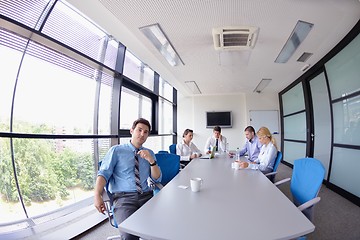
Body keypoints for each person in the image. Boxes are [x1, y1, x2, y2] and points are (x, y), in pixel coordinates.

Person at [94, 118, 162, 240]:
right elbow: (103, 174)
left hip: (146, 196)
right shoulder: (117, 150)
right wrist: (97, 194)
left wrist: (151, 161)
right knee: (129, 235)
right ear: (131, 131)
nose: (142, 134)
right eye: (139, 130)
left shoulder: (149, 153)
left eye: (146, 132)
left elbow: (157, 179)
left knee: (161, 229)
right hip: (124, 199)